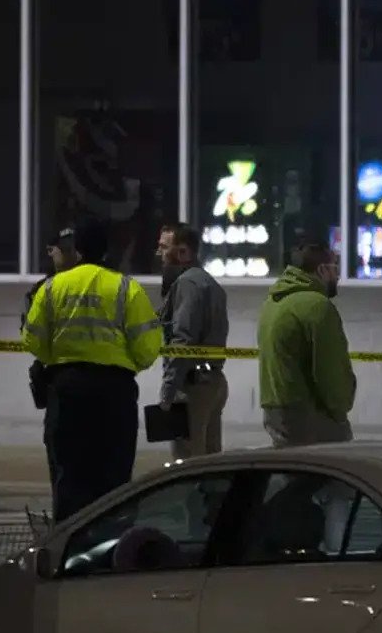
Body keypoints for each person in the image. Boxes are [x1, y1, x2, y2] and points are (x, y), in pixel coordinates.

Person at [23, 218, 163, 522]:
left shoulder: (51, 288)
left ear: (78, 249)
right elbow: (148, 347)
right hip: (115, 394)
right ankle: (110, 553)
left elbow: (33, 340)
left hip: (66, 390)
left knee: (68, 479)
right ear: (108, 249)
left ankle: (68, 553)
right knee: (114, 483)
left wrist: (58, 360)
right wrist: (128, 367)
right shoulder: (127, 289)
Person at [257, 240, 356, 447]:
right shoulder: (317, 306)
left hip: (276, 409)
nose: (337, 276)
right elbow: (330, 370)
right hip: (310, 416)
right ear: (321, 269)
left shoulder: (273, 303)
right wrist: (340, 407)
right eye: (334, 269)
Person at [157, 223, 230, 459]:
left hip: (192, 386)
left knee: (187, 463)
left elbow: (182, 340)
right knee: (210, 462)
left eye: (164, 247)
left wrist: (168, 391)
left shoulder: (187, 284)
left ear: (183, 252)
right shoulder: (211, 283)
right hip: (213, 380)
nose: (159, 254)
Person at [24, 228, 79, 504]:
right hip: (58, 382)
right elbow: (31, 336)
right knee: (61, 468)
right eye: (63, 249)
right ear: (50, 251)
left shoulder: (89, 283)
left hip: (77, 382)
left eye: (72, 249)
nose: (69, 254)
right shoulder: (42, 290)